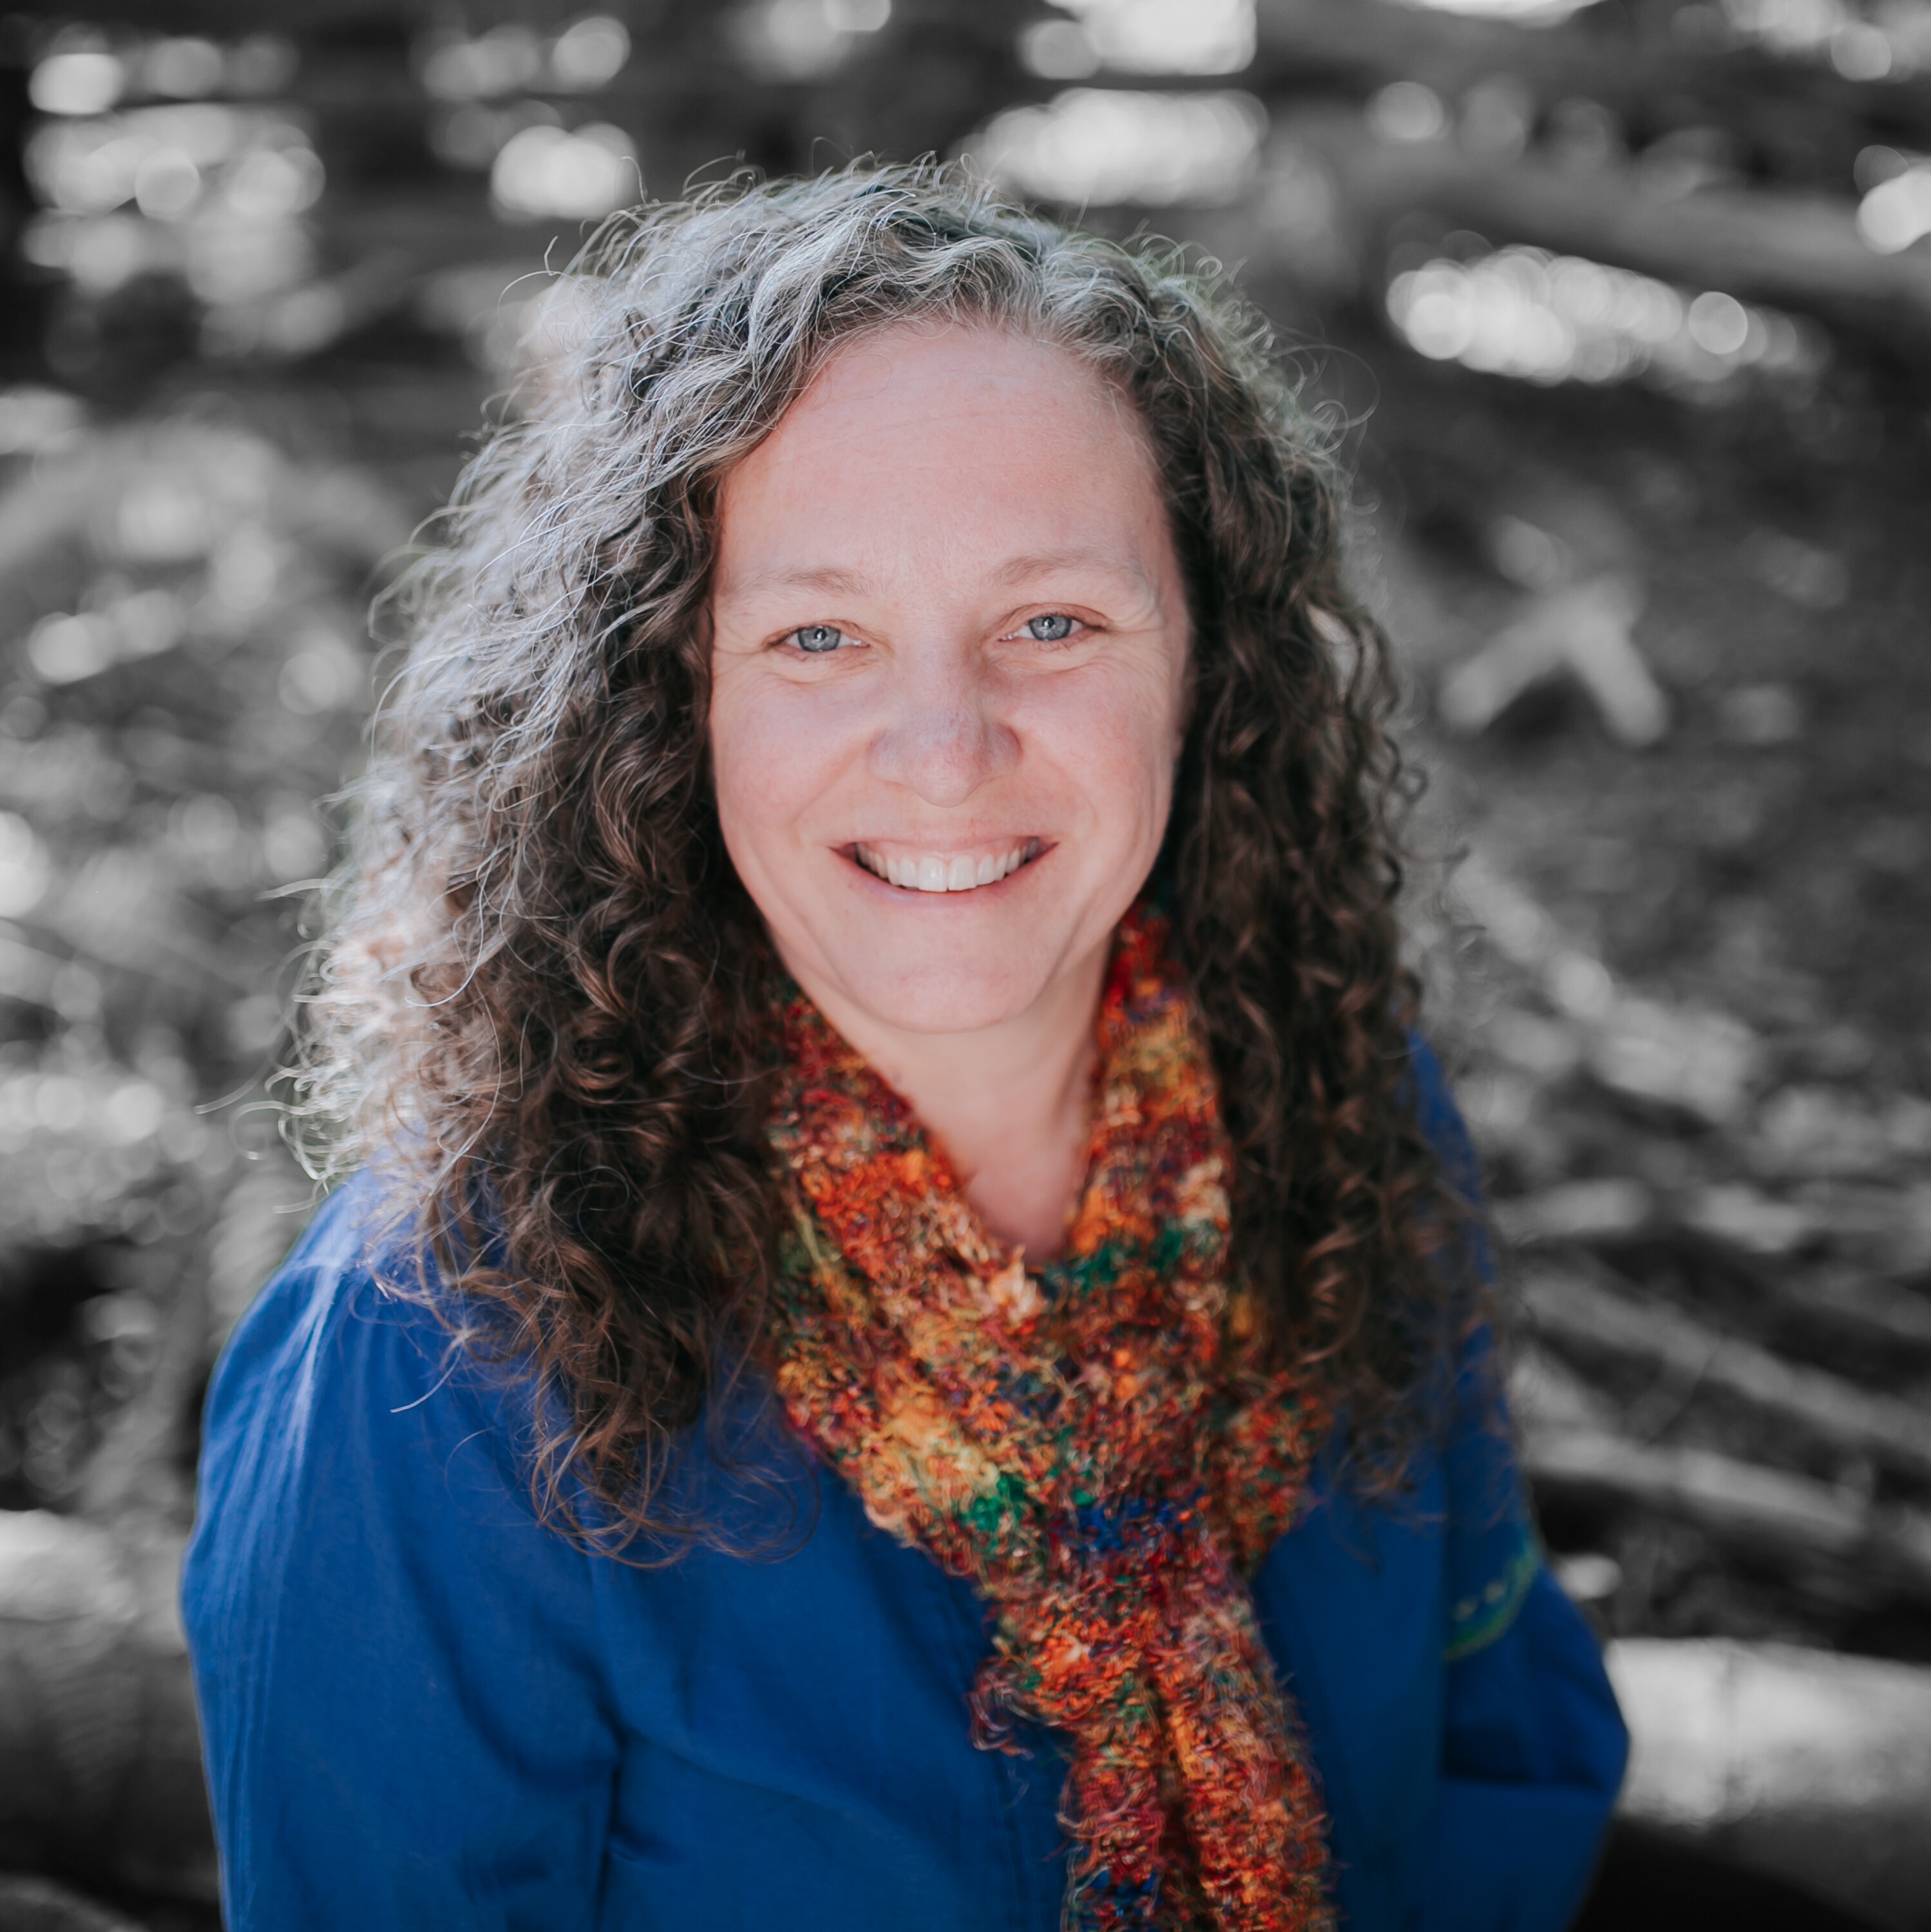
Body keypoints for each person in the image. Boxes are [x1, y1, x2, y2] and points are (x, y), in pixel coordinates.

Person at [183, 167, 1626, 1932]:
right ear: (668, 688)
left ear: (1205, 661)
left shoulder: (1350, 1124)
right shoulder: (435, 1363)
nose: (945, 750)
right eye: (818, 636)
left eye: (1051, 624)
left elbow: (1503, 1770)